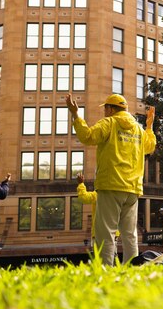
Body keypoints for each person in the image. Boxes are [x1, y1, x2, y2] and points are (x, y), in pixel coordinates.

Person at [65, 93, 156, 265]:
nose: (104, 112)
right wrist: (149, 127)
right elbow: (150, 146)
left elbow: (88, 136)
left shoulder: (109, 123)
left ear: (111, 108)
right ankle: (133, 269)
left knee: (105, 232)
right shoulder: (137, 129)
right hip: (132, 189)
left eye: (105, 108)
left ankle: (105, 271)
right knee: (130, 234)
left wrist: (75, 114)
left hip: (111, 185)